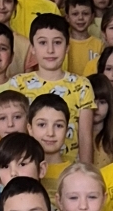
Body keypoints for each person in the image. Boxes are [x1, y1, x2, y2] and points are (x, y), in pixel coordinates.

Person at [8, 12, 96, 162]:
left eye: (57, 42)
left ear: (67, 47)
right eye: (43, 43)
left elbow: (85, 136)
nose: (50, 50)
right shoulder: (18, 84)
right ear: (32, 48)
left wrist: (85, 171)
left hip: (70, 170)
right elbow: (17, 133)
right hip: (31, 167)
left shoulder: (82, 85)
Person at [0, 93, 32, 204]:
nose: (10, 124)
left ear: (28, 121)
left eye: (17, 117)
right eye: (2, 118)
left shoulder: (36, 157)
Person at [89, 71, 113, 167]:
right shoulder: (74, 136)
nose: (96, 107)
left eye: (102, 102)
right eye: (92, 101)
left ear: (110, 105)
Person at [65, 0, 102, 77]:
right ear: (67, 17)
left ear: (92, 17)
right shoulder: (62, 44)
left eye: (85, 14)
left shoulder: (100, 45)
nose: (80, 18)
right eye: (75, 14)